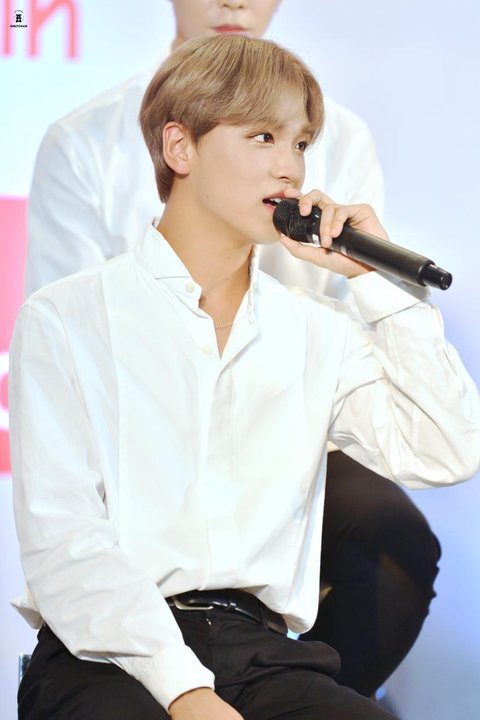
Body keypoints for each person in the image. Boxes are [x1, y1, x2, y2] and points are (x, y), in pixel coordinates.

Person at [11, 35, 480, 720]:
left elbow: (448, 450)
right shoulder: (69, 317)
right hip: (103, 658)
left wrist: (375, 284)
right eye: (263, 136)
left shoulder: (315, 332)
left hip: (260, 655)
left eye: (301, 143)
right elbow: (65, 543)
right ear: (180, 148)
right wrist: (184, 688)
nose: (289, 167)